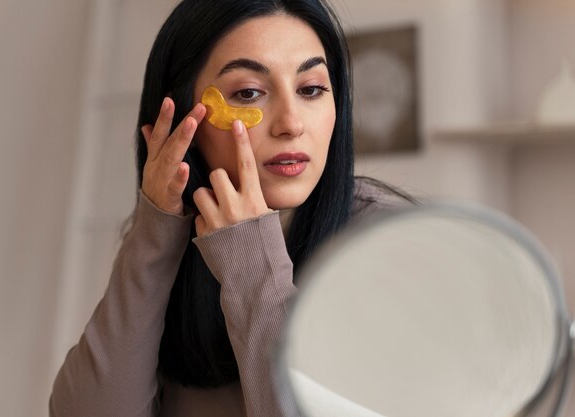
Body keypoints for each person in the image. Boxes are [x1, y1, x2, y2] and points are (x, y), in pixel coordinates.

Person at [49, 0, 414, 416]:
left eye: (311, 89)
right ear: (185, 118)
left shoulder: (390, 242)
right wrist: (155, 228)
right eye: (248, 93)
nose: (291, 123)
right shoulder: (168, 238)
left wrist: (251, 265)